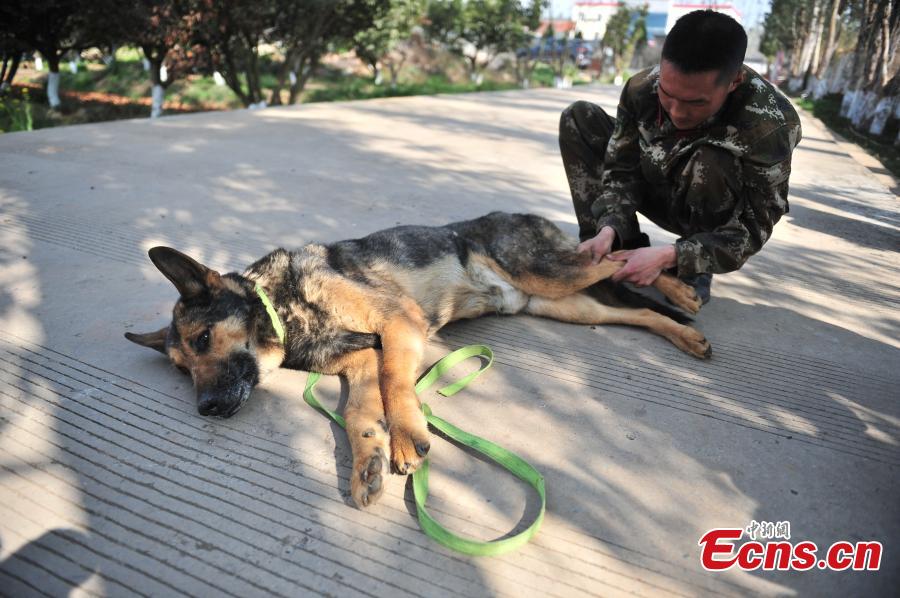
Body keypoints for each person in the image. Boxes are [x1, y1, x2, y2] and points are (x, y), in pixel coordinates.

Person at [559, 10, 801, 304]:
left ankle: (691, 269)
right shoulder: (641, 89)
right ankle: (610, 246)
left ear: (734, 81)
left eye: (695, 103)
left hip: (706, 211)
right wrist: (609, 224)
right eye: (667, 94)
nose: (676, 112)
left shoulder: (769, 126)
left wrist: (675, 255)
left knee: (711, 158)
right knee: (578, 117)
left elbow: (754, 227)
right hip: (655, 181)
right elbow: (621, 170)